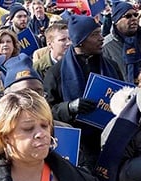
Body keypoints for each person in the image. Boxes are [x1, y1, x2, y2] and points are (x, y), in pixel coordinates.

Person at [44, 14, 122, 171]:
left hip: (112, 141)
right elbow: (46, 111)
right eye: (94, 35)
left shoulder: (111, 66)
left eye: (100, 33)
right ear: (80, 40)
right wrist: (69, 107)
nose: (101, 38)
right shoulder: (56, 73)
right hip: (79, 148)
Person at [102, 1, 141, 84]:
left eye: (135, 15)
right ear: (116, 21)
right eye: (128, 16)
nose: (134, 18)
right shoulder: (105, 45)